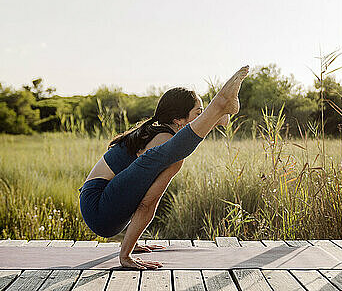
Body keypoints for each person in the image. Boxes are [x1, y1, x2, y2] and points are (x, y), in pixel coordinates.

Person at [78, 65, 250, 269]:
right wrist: (126, 255)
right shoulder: (162, 138)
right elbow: (147, 203)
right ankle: (219, 105)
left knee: (176, 154)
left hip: (104, 208)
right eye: (199, 113)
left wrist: (132, 243)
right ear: (178, 119)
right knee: (176, 156)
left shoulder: (158, 133)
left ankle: (220, 110)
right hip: (99, 208)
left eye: (203, 114)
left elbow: (134, 192)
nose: (200, 118)